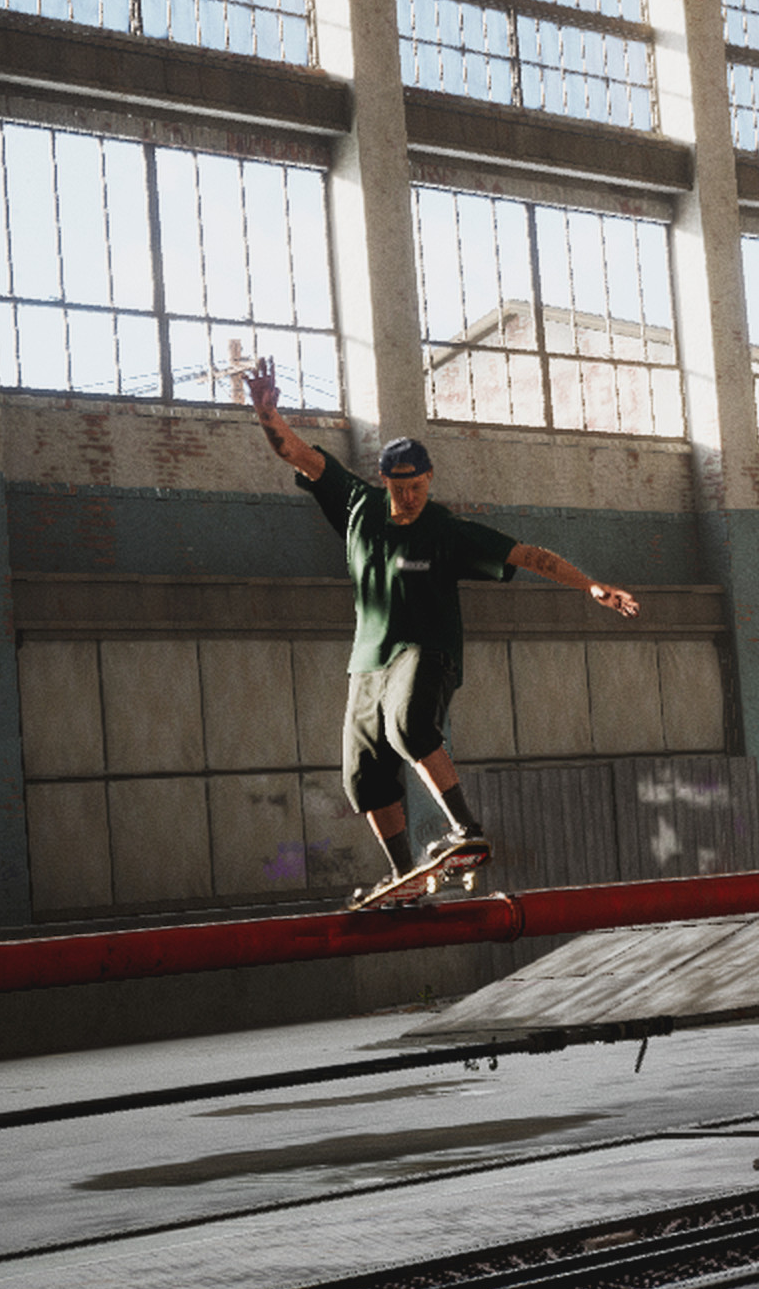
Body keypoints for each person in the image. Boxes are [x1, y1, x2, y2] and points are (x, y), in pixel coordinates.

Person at [247, 358, 641, 906]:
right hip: (367, 662)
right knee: (363, 776)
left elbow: (529, 555)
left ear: (429, 480)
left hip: (426, 652)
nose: (409, 497)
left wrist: (590, 585)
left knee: (408, 723)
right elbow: (298, 453)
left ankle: (465, 828)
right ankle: (407, 878)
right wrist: (266, 412)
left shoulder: (447, 531)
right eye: (400, 487)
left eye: (418, 486)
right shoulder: (357, 505)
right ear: (385, 480)